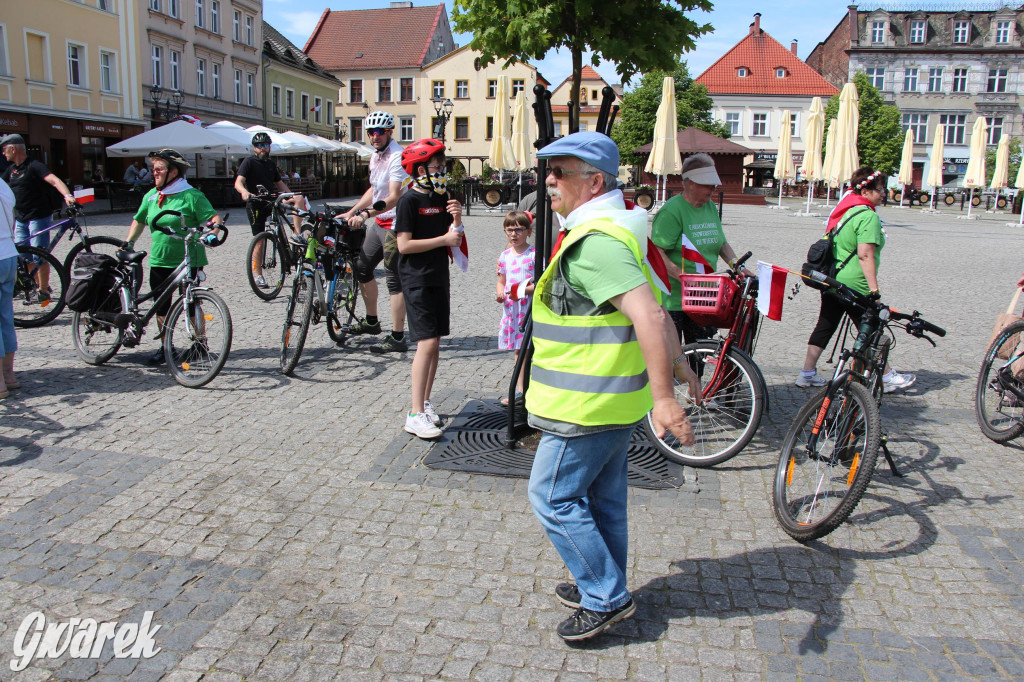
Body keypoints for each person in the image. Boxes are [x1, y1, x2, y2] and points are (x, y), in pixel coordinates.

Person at [525, 132, 701, 641]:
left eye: (560, 172)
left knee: (553, 498)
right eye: (549, 171)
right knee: (603, 500)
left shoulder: (596, 242)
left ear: (594, 181)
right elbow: (659, 311)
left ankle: (605, 595)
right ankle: (602, 582)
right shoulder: (622, 229)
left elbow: (646, 313)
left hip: (584, 405)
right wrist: (680, 368)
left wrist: (667, 396)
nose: (549, 180)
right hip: (611, 401)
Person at [797, 166, 916, 392]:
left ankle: (807, 373)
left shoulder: (847, 210)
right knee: (870, 328)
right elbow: (865, 254)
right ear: (866, 190)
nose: (884, 194)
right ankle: (887, 375)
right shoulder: (868, 216)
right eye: (881, 189)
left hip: (833, 280)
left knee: (826, 324)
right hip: (854, 284)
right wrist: (874, 291)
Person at [123, 149, 224, 365]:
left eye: (159, 169)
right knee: (162, 307)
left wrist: (212, 234)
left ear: (174, 171)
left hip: (190, 259)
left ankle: (200, 344)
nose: (154, 173)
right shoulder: (151, 196)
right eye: (153, 169)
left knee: (192, 302)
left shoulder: (191, 195)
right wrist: (128, 242)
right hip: (160, 259)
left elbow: (214, 218)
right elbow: (139, 220)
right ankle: (165, 346)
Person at [393, 138, 463, 439]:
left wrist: (457, 217)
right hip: (416, 277)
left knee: (435, 344)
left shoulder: (441, 196)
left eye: (443, 166)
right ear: (421, 169)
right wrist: (443, 241)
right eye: (439, 166)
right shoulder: (409, 201)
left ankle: (424, 402)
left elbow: (455, 236)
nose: (443, 170)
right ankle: (414, 414)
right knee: (427, 343)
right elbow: (404, 245)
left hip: (437, 275)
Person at [650, 153, 752, 346]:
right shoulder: (671, 212)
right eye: (707, 183)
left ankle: (695, 378)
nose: (713, 188)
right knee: (673, 355)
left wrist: (738, 266)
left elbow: (721, 243)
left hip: (703, 295)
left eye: (713, 183)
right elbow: (657, 252)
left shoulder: (710, 207)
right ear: (689, 183)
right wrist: (683, 277)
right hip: (674, 298)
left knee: (700, 352)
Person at [336, 110, 410, 354]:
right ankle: (371, 322)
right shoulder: (376, 157)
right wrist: (352, 211)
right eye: (370, 132)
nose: (374, 136)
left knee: (393, 279)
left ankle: (398, 336)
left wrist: (366, 215)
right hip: (379, 223)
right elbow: (374, 190)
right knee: (362, 267)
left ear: (389, 132)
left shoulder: (397, 157)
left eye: (379, 132)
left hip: (395, 224)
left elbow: (394, 196)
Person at [0, 133, 77, 303]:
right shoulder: (11, 170)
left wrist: (68, 196)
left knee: (39, 254)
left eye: (5, 149)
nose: (3, 153)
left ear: (13, 148)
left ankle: (44, 291)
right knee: (24, 256)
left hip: (38, 216)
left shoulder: (34, 166)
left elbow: (55, 181)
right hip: (20, 218)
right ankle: (36, 284)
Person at [234, 132, 304, 288]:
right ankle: (258, 275)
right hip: (255, 202)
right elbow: (238, 182)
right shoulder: (249, 162)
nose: (262, 149)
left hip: (272, 200)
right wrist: (244, 192)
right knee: (259, 240)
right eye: (259, 146)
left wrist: (290, 195)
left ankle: (297, 233)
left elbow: (280, 184)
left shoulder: (271, 164)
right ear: (254, 148)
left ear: (269, 147)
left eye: (265, 145)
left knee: (299, 199)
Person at [495, 210, 534, 404]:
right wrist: (500, 293)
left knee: (529, 350)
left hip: (529, 309)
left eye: (518, 230)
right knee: (518, 350)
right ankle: (520, 389)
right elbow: (501, 280)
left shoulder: (534, 255)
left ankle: (528, 389)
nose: (513, 234)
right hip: (512, 311)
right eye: (509, 230)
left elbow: (542, 283)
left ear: (528, 231)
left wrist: (525, 291)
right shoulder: (504, 256)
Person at [0, 177, 19, 398]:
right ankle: (9, 375)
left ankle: (0, 384)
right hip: (8, 253)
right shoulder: (3, 185)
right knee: (5, 315)